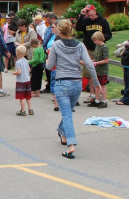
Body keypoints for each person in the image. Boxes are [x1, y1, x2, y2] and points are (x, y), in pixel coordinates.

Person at [46, 19, 99, 159]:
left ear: (59, 30)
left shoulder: (56, 45)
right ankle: (62, 133)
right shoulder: (80, 45)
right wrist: (96, 82)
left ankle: (71, 145)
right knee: (68, 112)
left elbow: (50, 67)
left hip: (62, 82)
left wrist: (47, 60)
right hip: (76, 83)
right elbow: (89, 64)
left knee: (67, 115)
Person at [89, 31, 109, 108]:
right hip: (96, 69)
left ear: (100, 39)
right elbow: (96, 57)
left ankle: (104, 100)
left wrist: (97, 63)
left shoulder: (104, 47)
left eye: (95, 40)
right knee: (96, 84)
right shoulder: (97, 46)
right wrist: (92, 61)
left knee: (102, 85)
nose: (94, 42)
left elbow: (106, 60)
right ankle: (97, 100)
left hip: (102, 70)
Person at [12, 45, 32, 116]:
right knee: (28, 96)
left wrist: (14, 73)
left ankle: (23, 110)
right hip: (27, 80)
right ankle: (30, 109)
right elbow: (29, 69)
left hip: (21, 82)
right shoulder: (26, 61)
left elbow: (19, 72)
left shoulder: (18, 62)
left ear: (17, 53)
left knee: (22, 97)